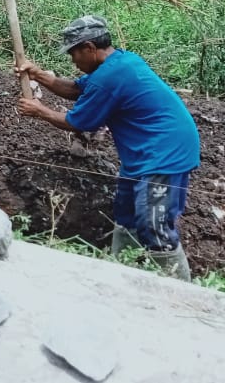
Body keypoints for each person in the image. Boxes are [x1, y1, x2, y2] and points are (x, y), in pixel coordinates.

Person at [16, 15, 199, 281]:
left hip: (165, 152)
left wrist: (39, 110)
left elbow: (78, 122)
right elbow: (75, 90)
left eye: (73, 53)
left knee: (154, 224)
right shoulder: (119, 62)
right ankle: (122, 275)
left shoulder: (111, 76)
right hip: (142, 152)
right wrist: (39, 75)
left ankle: (180, 290)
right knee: (126, 217)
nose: (73, 61)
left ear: (89, 48)